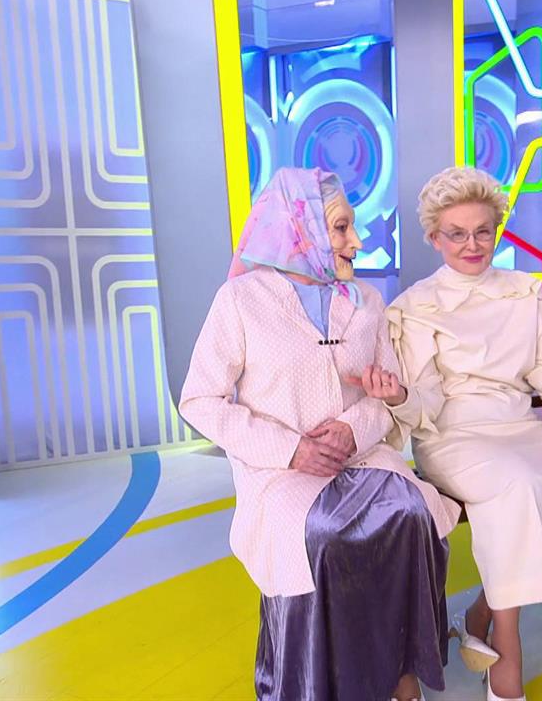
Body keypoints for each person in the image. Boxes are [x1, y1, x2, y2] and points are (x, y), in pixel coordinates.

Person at [355, 166, 542, 701]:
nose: (472, 245)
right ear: (434, 237)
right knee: (516, 491)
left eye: (483, 231)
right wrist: (398, 398)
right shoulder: (415, 307)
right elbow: (424, 399)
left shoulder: (524, 293)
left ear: (497, 230)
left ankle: (481, 613)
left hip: (517, 427)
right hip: (452, 434)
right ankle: (507, 652)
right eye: (456, 234)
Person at [179, 167, 461, 701]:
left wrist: (354, 430)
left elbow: (385, 396)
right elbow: (199, 400)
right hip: (280, 472)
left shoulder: (367, 301)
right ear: (299, 227)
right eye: (340, 227)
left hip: (363, 457)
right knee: (323, 537)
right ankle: (318, 682)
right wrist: (291, 449)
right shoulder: (241, 301)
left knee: (411, 514)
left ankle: (402, 672)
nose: (356, 241)